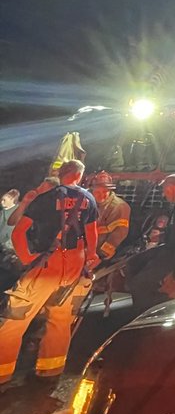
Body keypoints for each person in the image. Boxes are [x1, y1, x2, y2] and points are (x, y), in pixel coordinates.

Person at [0, 160, 99, 386]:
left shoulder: (45, 199)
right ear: (80, 176)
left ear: (61, 174)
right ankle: (50, 372)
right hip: (75, 266)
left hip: (47, 265)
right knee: (60, 319)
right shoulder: (89, 199)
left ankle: (1, 373)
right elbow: (91, 234)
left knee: (14, 318)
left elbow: (18, 233)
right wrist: (91, 256)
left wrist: (26, 259)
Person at [125, 174, 175, 314]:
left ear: (171, 188)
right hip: (169, 249)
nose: (164, 194)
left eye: (164, 190)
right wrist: (163, 235)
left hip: (174, 254)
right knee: (132, 264)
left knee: (139, 284)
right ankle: (155, 300)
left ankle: (149, 312)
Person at [90, 172, 132, 262]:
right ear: (92, 190)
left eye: (105, 192)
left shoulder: (120, 207)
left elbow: (119, 233)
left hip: (104, 253)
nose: (101, 195)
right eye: (97, 192)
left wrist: (102, 255)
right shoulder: (87, 202)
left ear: (110, 191)